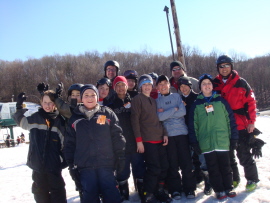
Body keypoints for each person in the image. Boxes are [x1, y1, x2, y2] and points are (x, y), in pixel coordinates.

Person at [64, 84, 126, 203]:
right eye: (86, 95)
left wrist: (120, 156)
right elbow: (69, 144)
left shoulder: (107, 113)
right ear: (81, 98)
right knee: (89, 196)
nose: (90, 98)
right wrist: (71, 166)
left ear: (97, 97)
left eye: (93, 95)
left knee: (111, 194)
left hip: (106, 165)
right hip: (85, 167)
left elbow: (117, 137)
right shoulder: (74, 119)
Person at [213, 55, 261, 192]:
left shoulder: (241, 82)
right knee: (228, 156)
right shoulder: (214, 83)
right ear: (218, 68)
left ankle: (252, 179)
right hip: (222, 125)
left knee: (243, 153)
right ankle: (234, 178)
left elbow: (251, 103)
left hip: (240, 124)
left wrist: (251, 122)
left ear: (231, 66)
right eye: (221, 66)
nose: (224, 68)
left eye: (227, 65)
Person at [189, 74, 238, 200]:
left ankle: (229, 187)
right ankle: (219, 190)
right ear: (200, 87)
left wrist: (233, 138)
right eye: (204, 83)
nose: (207, 85)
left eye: (209, 83)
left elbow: (230, 120)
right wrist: (194, 142)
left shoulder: (221, 101)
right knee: (213, 168)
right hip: (206, 143)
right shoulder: (196, 105)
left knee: (226, 166)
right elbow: (193, 125)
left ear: (212, 86)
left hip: (222, 141)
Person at [13, 91, 67, 203]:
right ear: (41, 103)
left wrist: (62, 160)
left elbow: (65, 144)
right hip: (37, 167)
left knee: (58, 195)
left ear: (55, 104)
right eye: (45, 102)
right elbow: (21, 121)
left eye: (51, 102)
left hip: (54, 168)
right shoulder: (35, 118)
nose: (47, 105)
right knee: (40, 194)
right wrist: (19, 106)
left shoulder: (59, 121)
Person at [155, 75, 197, 200]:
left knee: (186, 163)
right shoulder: (157, 101)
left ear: (169, 85)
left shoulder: (176, 96)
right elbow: (159, 117)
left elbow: (182, 112)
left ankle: (189, 188)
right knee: (172, 164)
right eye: (160, 84)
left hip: (182, 134)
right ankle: (175, 190)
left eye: (165, 83)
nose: (163, 86)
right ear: (157, 87)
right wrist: (174, 109)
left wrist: (166, 112)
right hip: (168, 135)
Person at [131, 74, 170, 203]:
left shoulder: (153, 100)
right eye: (144, 84)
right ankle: (148, 194)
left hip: (160, 138)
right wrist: (139, 141)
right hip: (148, 140)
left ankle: (159, 190)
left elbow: (159, 119)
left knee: (164, 166)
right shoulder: (137, 99)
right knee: (154, 168)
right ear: (141, 87)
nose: (147, 87)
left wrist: (164, 133)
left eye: (149, 84)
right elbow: (135, 120)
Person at [108, 76, 145, 201]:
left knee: (139, 167)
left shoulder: (134, 101)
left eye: (122, 85)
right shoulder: (110, 104)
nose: (120, 88)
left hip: (135, 142)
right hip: (120, 144)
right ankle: (123, 192)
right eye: (117, 85)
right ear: (114, 88)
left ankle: (142, 190)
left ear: (126, 86)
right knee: (122, 170)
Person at [178, 76, 212, 195]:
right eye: (181, 87)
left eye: (185, 86)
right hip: (185, 133)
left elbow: (210, 112)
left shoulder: (199, 97)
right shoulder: (179, 99)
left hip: (200, 133)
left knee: (203, 158)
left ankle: (208, 181)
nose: (183, 89)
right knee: (189, 160)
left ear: (190, 86)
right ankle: (191, 182)